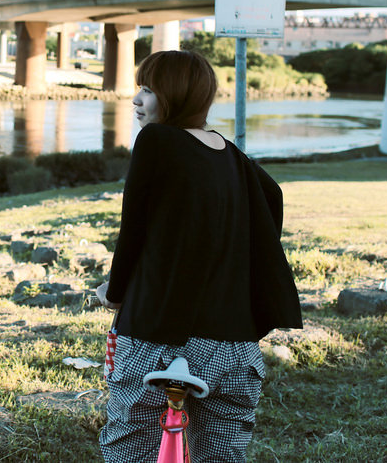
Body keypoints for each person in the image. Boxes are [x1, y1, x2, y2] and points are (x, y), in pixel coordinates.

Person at [96, 49, 302, 463]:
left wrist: (114, 293)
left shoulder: (156, 140)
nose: (136, 99)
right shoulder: (229, 152)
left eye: (148, 89)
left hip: (158, 338)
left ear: (175, 94)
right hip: (233, 349)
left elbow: (133, 230)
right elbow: (273, 195)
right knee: (222, 455)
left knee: (131, 447)